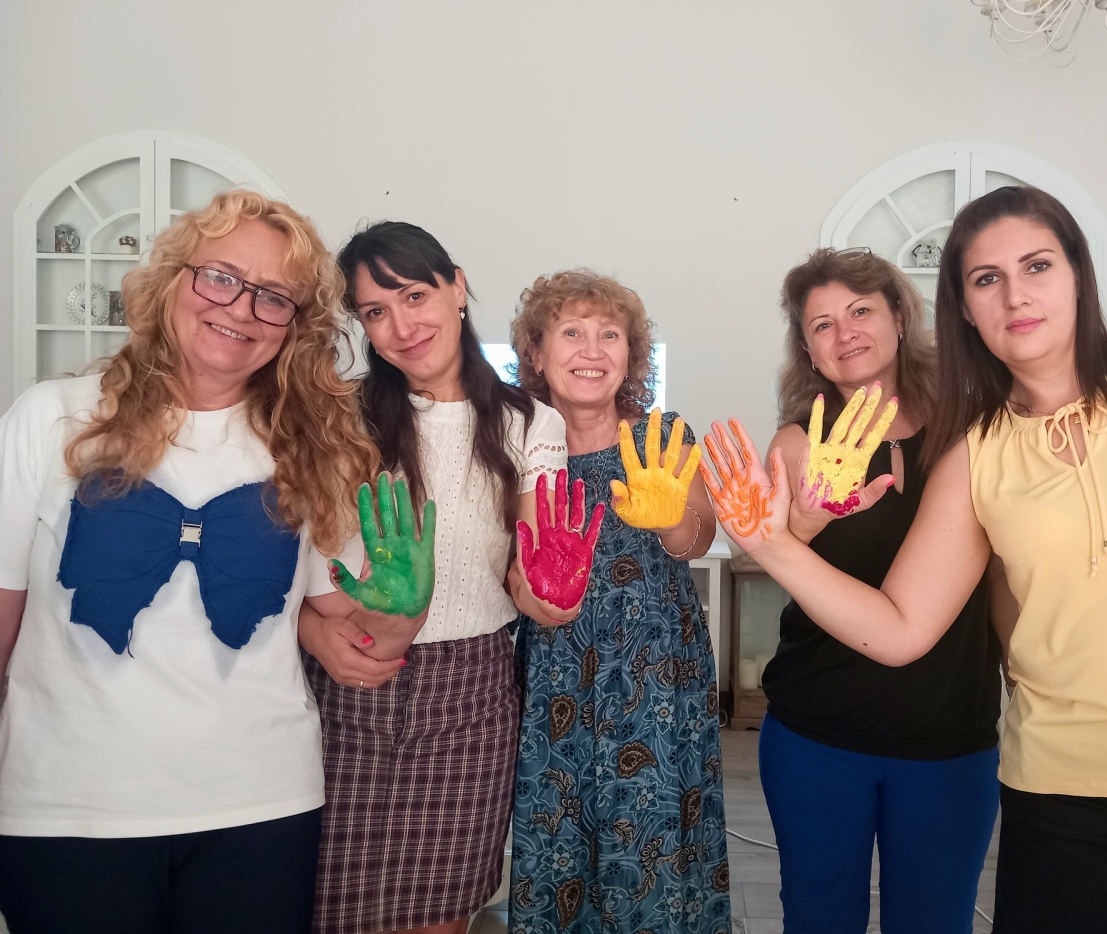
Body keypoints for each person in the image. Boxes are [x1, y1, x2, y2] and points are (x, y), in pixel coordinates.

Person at [700, 186, 1107, 934]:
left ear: (1078, 273)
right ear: (963, 309)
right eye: (986, 279)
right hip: (1052, 789)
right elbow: (907, 622)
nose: (1015, 295)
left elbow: (1002, 596)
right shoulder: (970, 451)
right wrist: (779, 536)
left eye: (1037, 265)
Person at [0, 190, 378, 933]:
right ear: (173, 278)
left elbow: (350, 634)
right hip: (68, 809)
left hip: (261, 807)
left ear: (295, 327)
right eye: (221, 277)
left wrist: (400, 607)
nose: (241, 308)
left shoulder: (316, 451)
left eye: (274, 297)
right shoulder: (52, 417)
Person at [299, 221, 573, 934]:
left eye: (415, 295)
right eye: (375, 311)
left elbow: (532, 566)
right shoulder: (336, 414)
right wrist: (312, 631)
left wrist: (548, 596)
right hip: (348, 679)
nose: (401, 326)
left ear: (457, 288)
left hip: (471, 692)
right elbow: (287, 559)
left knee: (441, 913)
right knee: (332, 906)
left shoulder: (531, 423)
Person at [758, 248, 1002, 933]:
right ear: (808, 350)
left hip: (950, 739)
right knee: (818, 918)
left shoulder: (975, 428)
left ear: (899, 317)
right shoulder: (797, 444)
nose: (845, 333)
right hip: (817, 734)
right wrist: (806, 522)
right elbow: (773, 555)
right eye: (822, 325)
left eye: (860, 311)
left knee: (934, 921)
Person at [507, 270, 731, 933]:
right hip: (559, 670)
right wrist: (532, 596)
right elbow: (508, 569)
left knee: (653, 839)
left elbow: (698, 538)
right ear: (537, 352)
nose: (591, 350)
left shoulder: (661, 437)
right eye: (571, 333)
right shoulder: (517, 445)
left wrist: (670, 518)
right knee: (561, 834)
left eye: (610, 335)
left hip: (656, 673)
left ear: (631, 356)